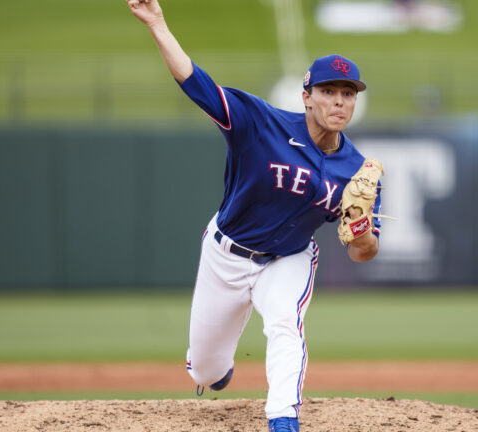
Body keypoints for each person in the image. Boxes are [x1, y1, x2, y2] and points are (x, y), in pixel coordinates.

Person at [125, 1, 382, 431]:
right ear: (306, 96)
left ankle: (283, 419)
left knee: (285, 320)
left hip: (287, 259)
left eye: (347, 93)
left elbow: (364, 253)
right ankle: (216, 371)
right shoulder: (261, 123)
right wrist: (158, 24)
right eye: (328, 91)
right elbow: (195, 82)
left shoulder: (357, 172)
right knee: (204, 372)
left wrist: (360, 237)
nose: (339, 101)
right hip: (226, 254)